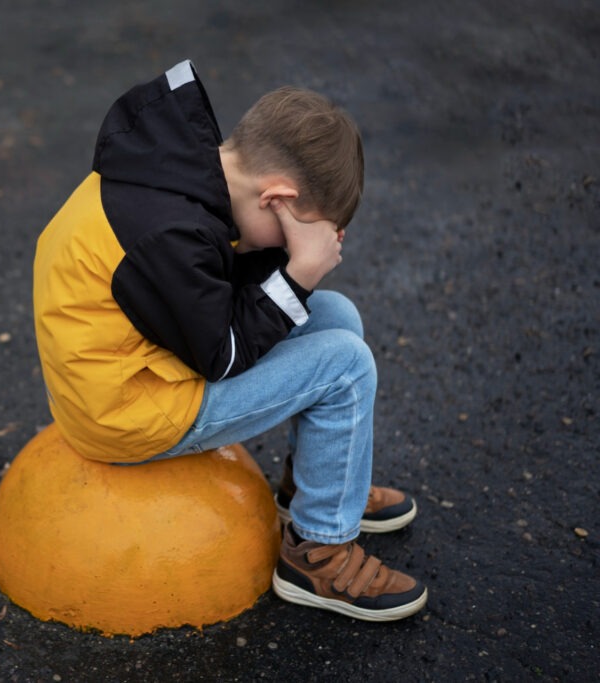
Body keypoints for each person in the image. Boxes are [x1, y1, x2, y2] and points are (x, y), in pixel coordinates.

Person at [32, 60, 427, 622]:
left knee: (336, 314)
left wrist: (295, 268)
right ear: (276, 199)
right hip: (123, 410)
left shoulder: (185, 172)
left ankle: (318, 490)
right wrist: (297, 273)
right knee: (345, 365)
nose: (293, 245)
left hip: (146, 356)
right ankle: (317, 556)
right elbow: (224, 354)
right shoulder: (170, 234)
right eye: (295, 227)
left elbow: (213, 287)